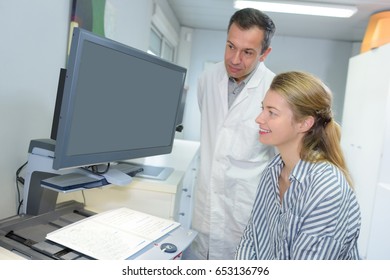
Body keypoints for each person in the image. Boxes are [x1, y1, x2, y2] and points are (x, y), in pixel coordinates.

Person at [235, 71, 361, 260]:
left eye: (272, 112)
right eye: (263, 108)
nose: (259, 119)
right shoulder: (273, 171)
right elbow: (252, 238)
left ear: (304, 123)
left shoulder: (327, 189)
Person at [186, 8, 277, 260]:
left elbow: (281, 160)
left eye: (248, 52)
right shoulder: (207, 79)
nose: (235, 59)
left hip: (243, 214)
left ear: (264, 54)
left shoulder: (274, 91)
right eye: (230, 46)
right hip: (206, 206)